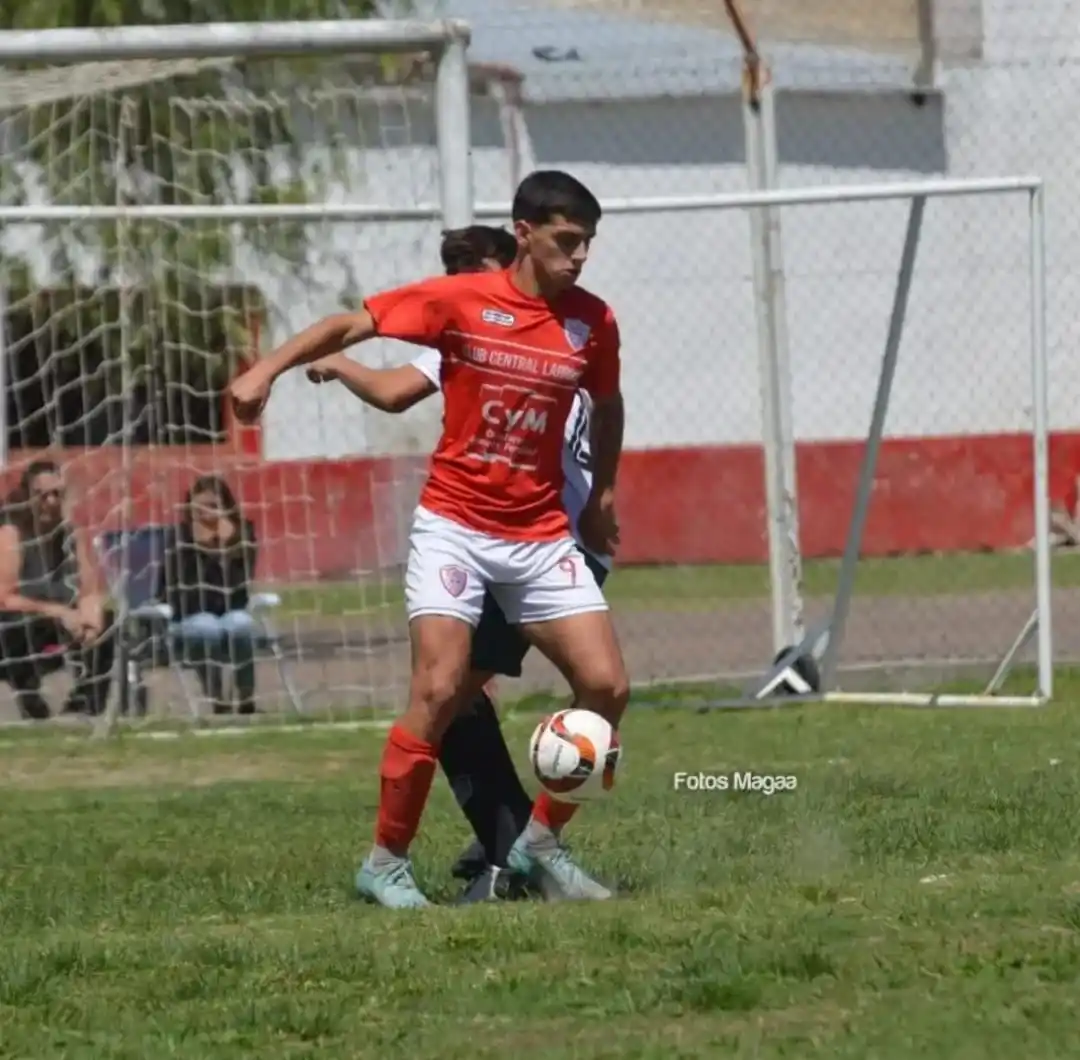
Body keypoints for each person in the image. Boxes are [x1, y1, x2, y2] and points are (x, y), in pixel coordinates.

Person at [230, 170, 629, 910]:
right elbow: (351, 325)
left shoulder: (592, 320)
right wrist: (265, 371)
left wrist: (601, 493)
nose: (579, 257)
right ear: (525, 233)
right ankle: (386, 862)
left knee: (608, 689)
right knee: (441, 689)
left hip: (541, 536)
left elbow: (608, 405)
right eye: (567, 241)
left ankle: (539, 844)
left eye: (588, 244)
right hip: (457, 527)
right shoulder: (460, 301)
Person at [0, 460, 115, 720]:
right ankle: (27, 692)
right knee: (26, 626)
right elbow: (3, 598)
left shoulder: (72, 535)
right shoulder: (11, 534)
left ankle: (84, 703)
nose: (50, 502)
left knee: (107, 622)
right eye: (41, 495)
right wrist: (58, 612)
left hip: (57, 623)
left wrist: (91, 617)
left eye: (56, 494)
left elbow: (90, 589)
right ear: (26, 497)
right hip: (14, 628)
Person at [159, 475, 260, 715]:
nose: (206, 512)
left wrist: (225, 546)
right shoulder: (179, 536)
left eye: (213, 505)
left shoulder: (242, 533)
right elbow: (183, 587)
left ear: (225, 507)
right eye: (200, 507)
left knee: (242, 624)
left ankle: (246, 696)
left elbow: (240, 582)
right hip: (189, 614)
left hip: (230, 611)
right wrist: (201, 546)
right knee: (206, 627)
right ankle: (217, 694)